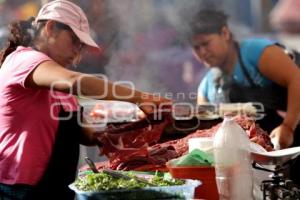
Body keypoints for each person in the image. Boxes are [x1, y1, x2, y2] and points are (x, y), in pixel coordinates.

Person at [0, 1, 171, 200]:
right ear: (51, 27)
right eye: (74, 41)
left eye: (81, 47)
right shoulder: (24, 60)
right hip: (20, 190)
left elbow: (84, 134)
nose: (77, 53)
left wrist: (132, 131)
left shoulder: (58, 80)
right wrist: (142, 98)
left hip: (56, 188)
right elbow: (75, 81)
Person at [191, 9, 300, 150]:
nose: (202, 52)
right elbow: (208, 132)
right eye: (196, 48)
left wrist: (288, 126)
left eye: (206, 44)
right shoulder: (206, 89)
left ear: (225, 33)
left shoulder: (256, 52)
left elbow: (296, 79)